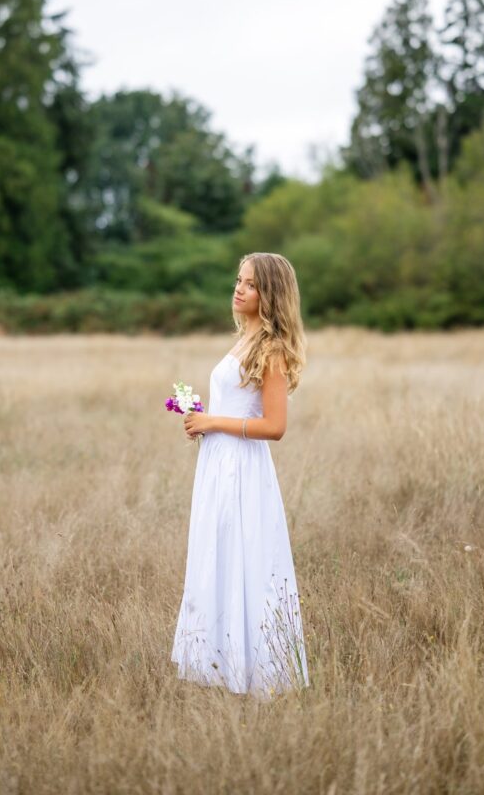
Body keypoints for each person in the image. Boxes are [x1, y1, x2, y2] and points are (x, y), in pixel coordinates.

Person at [170, 251, 310, 697]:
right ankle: (219, 666)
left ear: (269, 294)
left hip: (243, 473)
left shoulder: (271, 351)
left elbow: (275, 427)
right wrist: (202, 420)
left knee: (245, 562)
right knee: (218, 557)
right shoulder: (242, 341)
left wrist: (213, 422)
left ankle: (255, 675)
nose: (238, 288)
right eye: (238, 280)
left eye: (249, 284)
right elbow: (236, 407)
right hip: (218, 466)